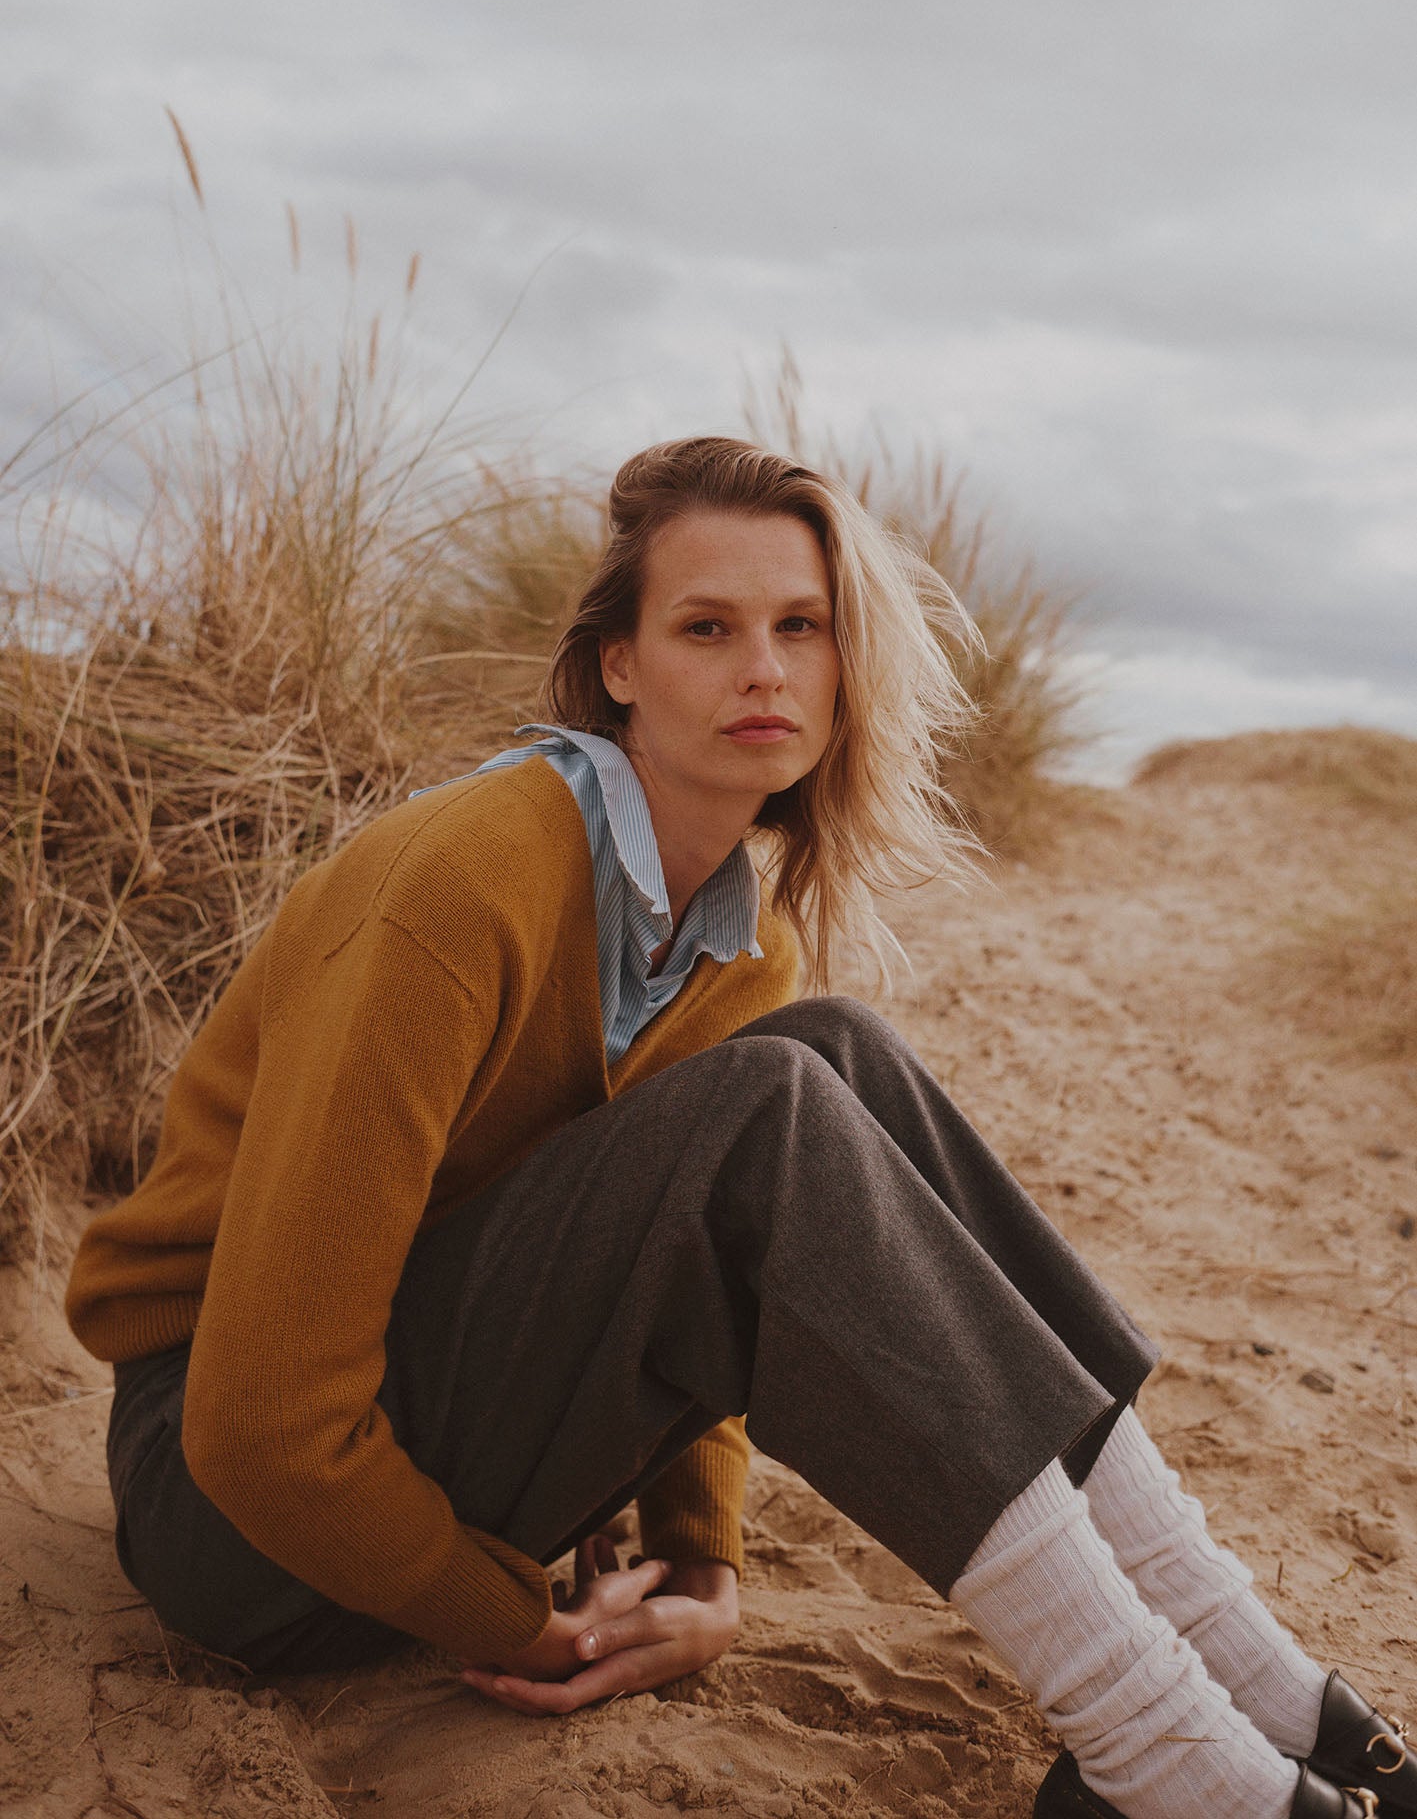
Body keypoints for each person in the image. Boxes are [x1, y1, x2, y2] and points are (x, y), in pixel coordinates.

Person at [67, 437, 1411, 1819]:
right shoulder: (463, 886)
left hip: (414, 1442)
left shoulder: (733, 937)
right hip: (232, 1525)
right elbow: (261, 1426)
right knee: (774, 1103)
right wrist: (509, 1618)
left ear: (844, 667)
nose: (762, 668)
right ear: (619, 668)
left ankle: (1249, 1674)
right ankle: (1156, 1752)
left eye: (800, 627)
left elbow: (703, 1269)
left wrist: (701, 1568)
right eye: (706, 628)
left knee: (837, 1055)